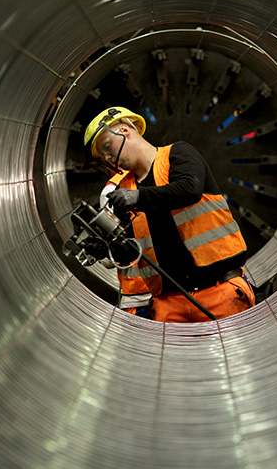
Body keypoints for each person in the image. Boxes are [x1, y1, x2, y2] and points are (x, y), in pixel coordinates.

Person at [84, 106, 255, 322]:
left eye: (107, 147)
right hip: (168, 305)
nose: (109, 158)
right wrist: (106, 248)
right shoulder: (121, 192)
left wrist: (139, 197)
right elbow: (132, 251)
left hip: (221, 294)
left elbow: (189, 189)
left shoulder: (178, 154)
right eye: (103, 156)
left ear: (125, 130)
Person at [99, 171, 152, 318]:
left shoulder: (111, 190)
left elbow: (108, 260)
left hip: (138, 298)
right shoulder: (165, 173)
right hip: (168, 294)